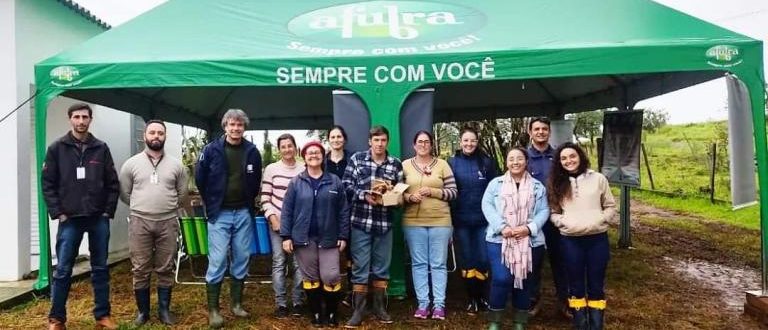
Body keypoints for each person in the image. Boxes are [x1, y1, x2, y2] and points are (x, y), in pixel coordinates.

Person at [42, 103, 120, 330]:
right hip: (70, 220)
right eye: (76, 117)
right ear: (70, 119)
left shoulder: (101, 148)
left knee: (100, 269)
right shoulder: (57, 148)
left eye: (85, 117)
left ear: (90, 119)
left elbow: (113, 183)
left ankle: (103, 317)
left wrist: (107, 211)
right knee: (64, 270)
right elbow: (47, 184)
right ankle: (56, 320)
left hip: (98, 218)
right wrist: (58, 213)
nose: (81, 121)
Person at [195, 109, 262, 329]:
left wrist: (248, 201)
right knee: (218, 259)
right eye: (232, 124)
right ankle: (214, 310)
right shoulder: (212, 149)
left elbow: (256, 180)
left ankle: (236, 304)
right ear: (225, 126)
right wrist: (211, 201)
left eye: (240, 125)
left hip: (243, 212)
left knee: (242, 256)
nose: (236, 128)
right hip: (219, 213)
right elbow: (200, 178)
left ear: (244, 127)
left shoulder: (252, 151)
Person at [119, 120, 188, 326]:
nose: (156, 136)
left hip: (167, 221)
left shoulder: (177, 165)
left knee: (165, 267)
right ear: (145, 136)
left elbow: (182, 192)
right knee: (140, 268)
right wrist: (141, 205)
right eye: (152, 132)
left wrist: (167, 206)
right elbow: (124, 192)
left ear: (164, 136)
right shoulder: (131, 164)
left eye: (160, 133)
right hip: (140, 221)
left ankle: (164, 311)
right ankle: (143, 312)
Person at [281, 141, 350, 327]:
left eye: (317, 152)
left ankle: (332, 313)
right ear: (304, 157)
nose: (313, 155)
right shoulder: (296, 182)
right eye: (310, 153)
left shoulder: (334, 180)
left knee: (330, 276)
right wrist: (286, 236)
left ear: (323, 156)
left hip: (329, 238)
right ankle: (318, 314)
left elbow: (343, 210)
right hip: (303, 238)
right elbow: (287, 210)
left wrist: (343, 235)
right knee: (310, 278)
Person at [547, 142, 616, 330]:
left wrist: (602, 220)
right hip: (570, 241)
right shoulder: (556, 182)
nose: (569, 161)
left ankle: (596, 325)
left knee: (596, 284)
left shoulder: (598, 178)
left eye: (572, 156)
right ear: (559, 162)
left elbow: (610, 205)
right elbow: (553, 212)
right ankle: (580, 325)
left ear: (580, 156)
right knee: (575, 285)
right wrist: (563, 222)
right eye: (564, 158)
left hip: (597, 239)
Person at [342, 125, 403, 328]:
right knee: (360, 267)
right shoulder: (357, 159)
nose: (379, 144)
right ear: (370, 141)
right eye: (376, 140)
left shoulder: (395, 164)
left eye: (383, 140)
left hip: (384, 223)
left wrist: (393, 197)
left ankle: (379, 307)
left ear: (388, 142)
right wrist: (365, 195)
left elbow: (400, 193)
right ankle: (358, 310)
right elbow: (346, 185)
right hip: (360, 222)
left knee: (382, 268)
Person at [482, 147, 550, 330]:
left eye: (519, 158)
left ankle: (520, 321)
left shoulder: (537, 186)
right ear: (506, 162)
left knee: (525, 280)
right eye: (511, 159)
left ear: (526, 162)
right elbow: (487, 205)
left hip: (530, 241)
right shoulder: (496, 184)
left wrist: (529, 228)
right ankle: (495, 320)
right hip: (499, 239)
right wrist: (501, 227)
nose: (515, 162)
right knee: (501, 279)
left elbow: (544, 210)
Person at [402, 131, 457, 320]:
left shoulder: (442, 165)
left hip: (440, 221)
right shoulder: (405, 166)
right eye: (420, 142)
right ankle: (423, 304)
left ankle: (439, 305)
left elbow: (453, 192)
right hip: (413, 222)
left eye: (427, 142)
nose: (423, 145)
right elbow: (396, 193)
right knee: (418, 263)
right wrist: (409, 197)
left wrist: (433, 191)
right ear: (414, 145)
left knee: (438, 264)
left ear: (431, 145)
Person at [447, 126, 498, 314]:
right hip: (461, 221)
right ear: (460, 142)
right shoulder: (451, 163)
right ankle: (472, 299)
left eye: (473, 140)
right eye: (466, 140)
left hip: (484, 221)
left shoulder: (487, 162)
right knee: (467, 259)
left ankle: (484, 297)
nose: (469, 144)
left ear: (477, 142)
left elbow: (496, 191)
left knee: (483, 259)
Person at [526, 117, 569, 317]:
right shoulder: (524, 157)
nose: (541, 132)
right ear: (530, 132)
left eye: (544, 129)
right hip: (532, 219)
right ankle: (533, 300)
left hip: (556, 217)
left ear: (549, 132)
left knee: (561, 260)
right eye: (537, 129)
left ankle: (565, 301)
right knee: (533, 262)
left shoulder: (559, 156)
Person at [262, 133, 306, 318]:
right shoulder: (271, 169)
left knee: (299, 264)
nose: (287, 149)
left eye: (290, 145)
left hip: (300, 226)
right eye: (283, 146)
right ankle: (281, 303)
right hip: (278, 224)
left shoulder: (304, 168)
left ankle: (297, 301)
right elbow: (265, 198)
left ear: (295, 148)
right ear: (279, 150)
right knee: (279, 262)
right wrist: (273, 219)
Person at [322, 125, 355, 307]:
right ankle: (328, 292)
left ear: (344, 139)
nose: (336, 140)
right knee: (328, 253)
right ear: (329, 140)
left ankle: (351, 292)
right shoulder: (322, 161)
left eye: (339, 136)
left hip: (350, 211)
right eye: (333, 137)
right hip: (327, 213)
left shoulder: (353, 159)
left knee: (351, 253)